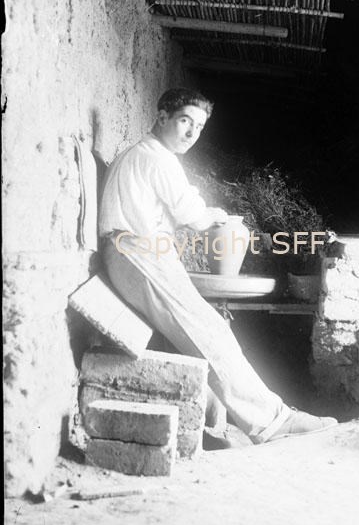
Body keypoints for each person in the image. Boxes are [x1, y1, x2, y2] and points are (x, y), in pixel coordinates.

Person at [99, 87, 337, 447]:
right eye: (185, 121)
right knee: (210, 331)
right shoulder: (155, 158)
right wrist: (216, 215)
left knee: (203, 330)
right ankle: (273, 422)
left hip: (135, 254)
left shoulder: (145, 154)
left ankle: (216, 421)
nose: (192, 133)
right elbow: (193, 216)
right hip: (135, 254)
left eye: (199, 127)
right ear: (162, 116)